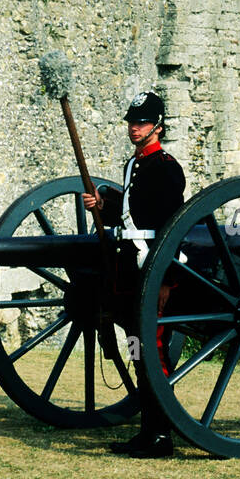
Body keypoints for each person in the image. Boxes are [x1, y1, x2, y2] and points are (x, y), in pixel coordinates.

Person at [82, 90, 185, 458]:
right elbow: (132, 217)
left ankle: (161, 435)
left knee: (154, 351)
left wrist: (166, 281)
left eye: (141, 122)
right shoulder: (134, 165)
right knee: (138, 349)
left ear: (157, 126)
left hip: (153, 269)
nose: (134, 128)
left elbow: (171, 228)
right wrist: (103, 206)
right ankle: (148, 431)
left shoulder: (167, 167)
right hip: (132, 270)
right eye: (131, 121)